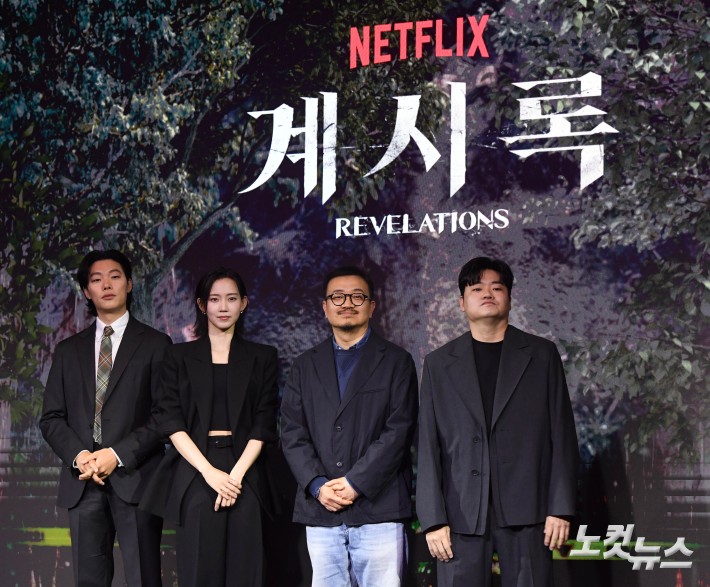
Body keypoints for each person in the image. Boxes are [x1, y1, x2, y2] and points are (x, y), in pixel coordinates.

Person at [416, 256, 579, 587]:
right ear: (462, 302)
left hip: (529, 509)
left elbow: (562, 434)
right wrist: (433, 519)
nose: (487, 293)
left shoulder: (541, 354)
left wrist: (560, 507)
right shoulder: (438, 364)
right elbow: (428, 446)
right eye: (477, 288)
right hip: (460, 513)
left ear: (510, 298)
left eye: (497, 287)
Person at [40, 249, 171, 587]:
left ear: (129, 284)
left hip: (137, 479)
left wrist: (116, 454)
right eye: (97, 280)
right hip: (83, 481)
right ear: (87, 291)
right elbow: (51, 418)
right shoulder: (68, 351)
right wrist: (80, 455)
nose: (107, 285)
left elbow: (165, 416)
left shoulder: (157, 344)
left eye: (115, 277)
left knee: (143, 578)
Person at [280, 266, 418, 587]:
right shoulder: (304, 366)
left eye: (357, 296)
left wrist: (356, 482)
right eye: (337, 297)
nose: (347, 303)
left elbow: (399, 431)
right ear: (325, 306)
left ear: (372, 306)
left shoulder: (396, 362)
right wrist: (318, 485)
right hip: (322, 509)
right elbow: (292, 433)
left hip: (379, 509)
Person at [141, 267, 278, 587]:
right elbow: (171, 421)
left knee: (247, 571)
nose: (223, 307)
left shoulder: (263, 356)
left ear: (243, 303)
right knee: (199, 570)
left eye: (231, 298)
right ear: (202, 305)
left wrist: (235, 478)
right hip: (195, 469)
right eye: (215, 299)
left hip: (246, 470)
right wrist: (209, 472)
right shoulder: (177, 356)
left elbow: (264, 422)